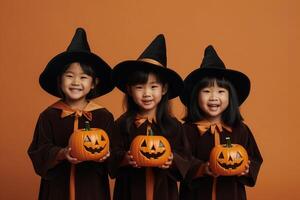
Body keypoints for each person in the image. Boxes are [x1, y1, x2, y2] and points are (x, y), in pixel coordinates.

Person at [28, 28, 114, 200]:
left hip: (92, 189)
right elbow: (39, 150)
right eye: (69, 76)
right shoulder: (49, 115)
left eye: (83, 77)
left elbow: (114, 155)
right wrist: (61, 154)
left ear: (93, 84)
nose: (76, 82)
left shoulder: (104, 116)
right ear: (60, 81)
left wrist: (106, 156)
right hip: (56, 189)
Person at [109, 34, 190, 200]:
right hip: (129, 192)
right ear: (129, 90)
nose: (147, 93)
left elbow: (186, 158)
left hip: (164, 192)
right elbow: (109, 156)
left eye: (154, 87)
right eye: (140, 87)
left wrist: (172, 160)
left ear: (164, 89)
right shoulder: (122, 124)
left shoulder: (174, 126)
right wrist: (124, 158)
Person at [179, 45, 263, 200]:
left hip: (231, 194)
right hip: (196, 195)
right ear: (196, 97)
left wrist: (246, 169)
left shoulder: (241, 130)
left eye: (221, 91)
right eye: (206, 91)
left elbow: (254, 158)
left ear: (231, 97)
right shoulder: (187, 130)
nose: (213, 97)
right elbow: (181, 159)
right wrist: (202, 168)